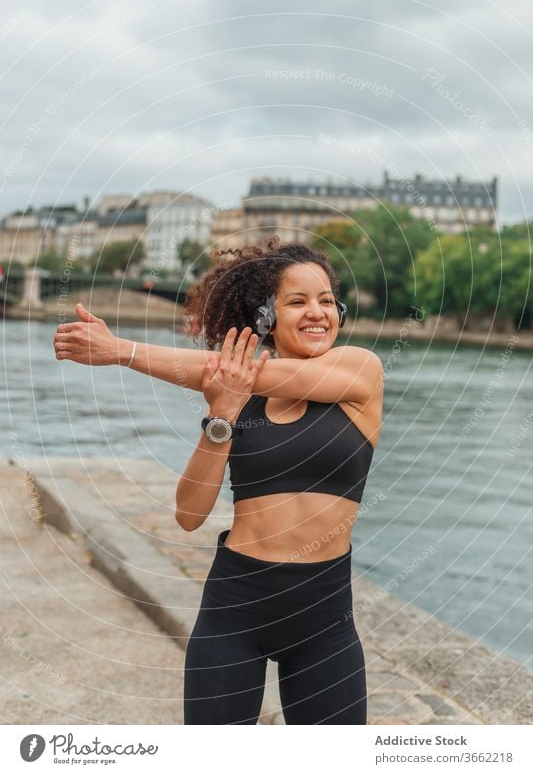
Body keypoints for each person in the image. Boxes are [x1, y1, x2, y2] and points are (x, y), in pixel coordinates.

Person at [53, 236, 383, 725]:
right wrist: (220, 417)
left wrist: (120, 350)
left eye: (327, 301)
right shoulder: (237, 394)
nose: (318, 313)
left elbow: (228, 370)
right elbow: (189, 515)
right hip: (235, 605)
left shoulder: (360, 372)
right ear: (266, 315)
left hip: (324, 616)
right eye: (298, 301)